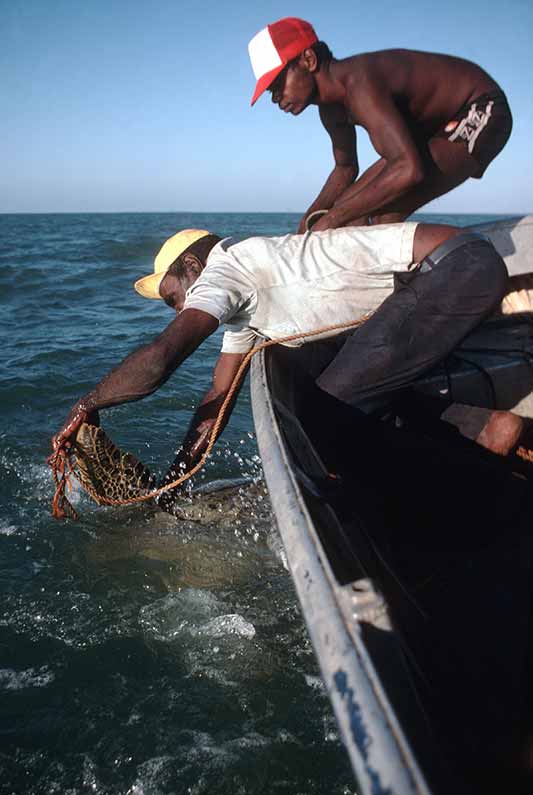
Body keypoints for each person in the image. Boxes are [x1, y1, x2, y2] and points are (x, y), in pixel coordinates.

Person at [50, 223, 526, 512]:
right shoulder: (248, 290)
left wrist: (86, 404)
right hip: (455, 266)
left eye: (174, 296)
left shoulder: (225, 271)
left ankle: (476, 492)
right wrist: (173, 486)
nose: (178, 309)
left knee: (323, 417)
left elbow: (161, 357)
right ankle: (487, 429)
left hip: (456, 267)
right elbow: (214, 406)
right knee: (335, 392)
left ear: (192, 267)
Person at [247, 18, 513, 234]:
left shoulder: (358, 84)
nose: (275, 97)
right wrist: (305, 227)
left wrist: (331, 220)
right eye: (270, 91)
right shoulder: (330, 110)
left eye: (278, 84)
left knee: (382, 214)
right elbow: (345, 169)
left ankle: (429, 287)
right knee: (350, 217)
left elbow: (409, 170)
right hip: (434, 128)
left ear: (308, 60)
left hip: (481, 106)